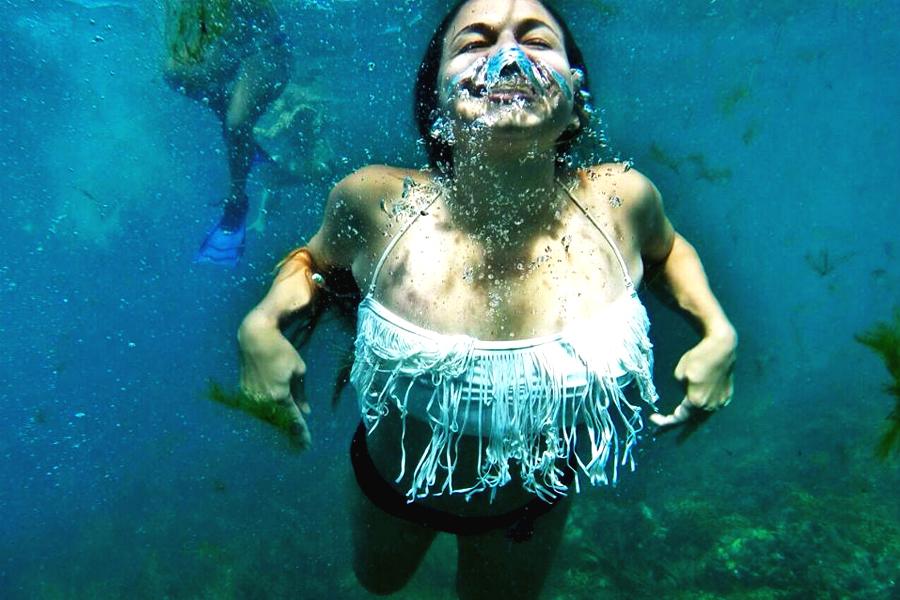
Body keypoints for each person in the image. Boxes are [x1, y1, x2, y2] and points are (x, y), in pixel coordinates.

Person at [237, 0, 737, 597]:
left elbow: (668, 249)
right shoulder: (375, 202)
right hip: (393, 490)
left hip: (530, 508)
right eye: (475, 42)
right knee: (378, 583)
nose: (509, 56)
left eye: (537, 39)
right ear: (436, 100)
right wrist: (261, 324)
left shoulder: (621, 200)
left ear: (576, 95)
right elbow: (312, 262)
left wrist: (717, 330)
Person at [163, 0, 290, 266]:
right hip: (231, 50)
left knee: (236, 123)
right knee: (172, 71)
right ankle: (236, 129)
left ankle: (237, 199)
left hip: (267, 48)